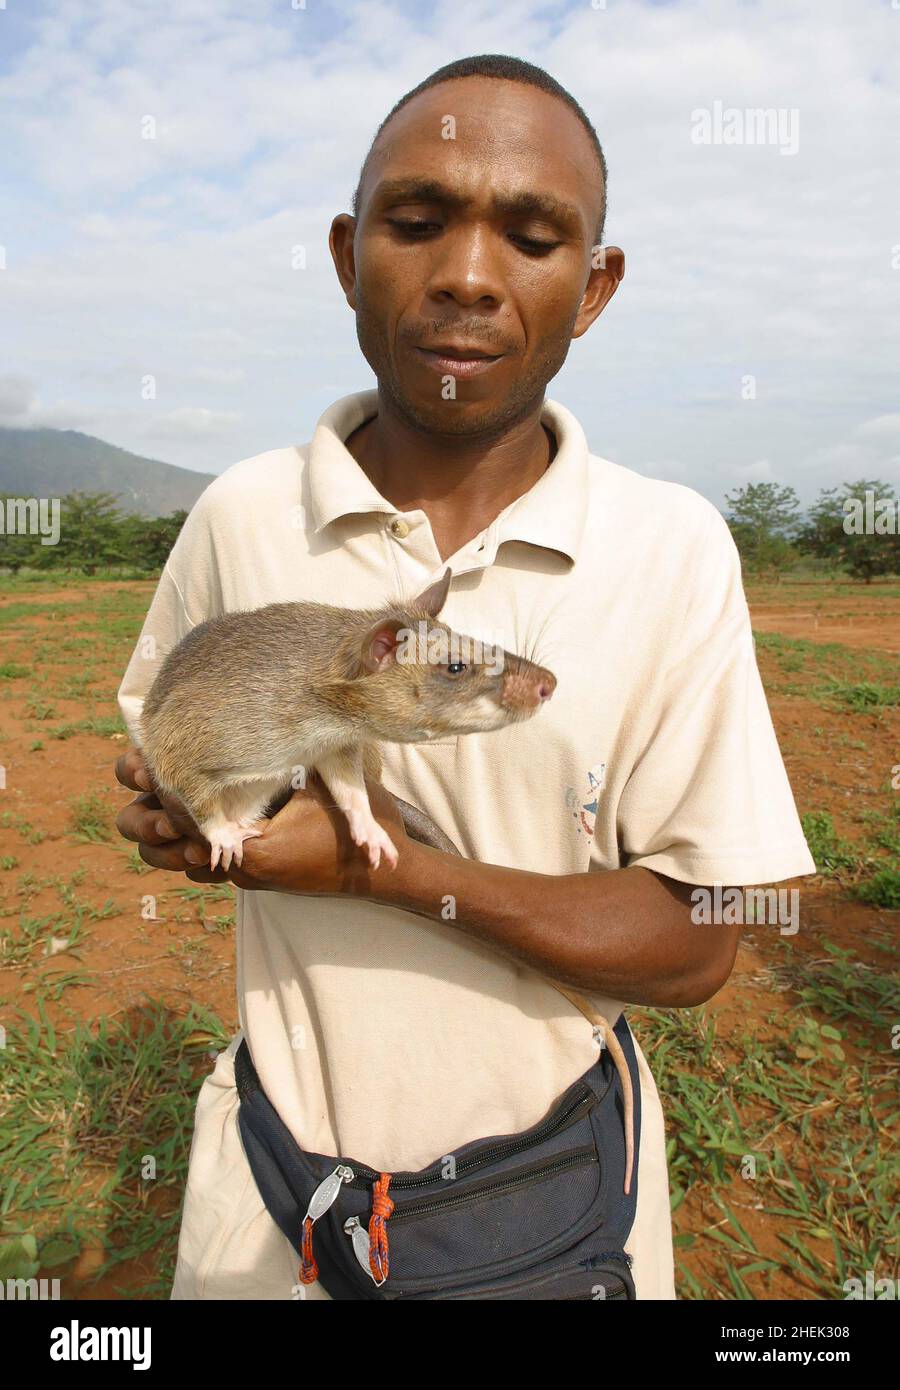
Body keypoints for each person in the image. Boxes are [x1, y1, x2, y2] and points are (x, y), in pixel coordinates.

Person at [115, 53, 816, 1300]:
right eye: (418, 220)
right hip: (268, 1202)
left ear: (595, 286)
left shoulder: (673, 549)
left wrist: (393, 876)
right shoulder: (238, 515)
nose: (469, 277)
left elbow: (710, 937)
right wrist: (179, 811)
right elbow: (167, 751)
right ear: (347, 255)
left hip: (553, 1213)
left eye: (534, 236)